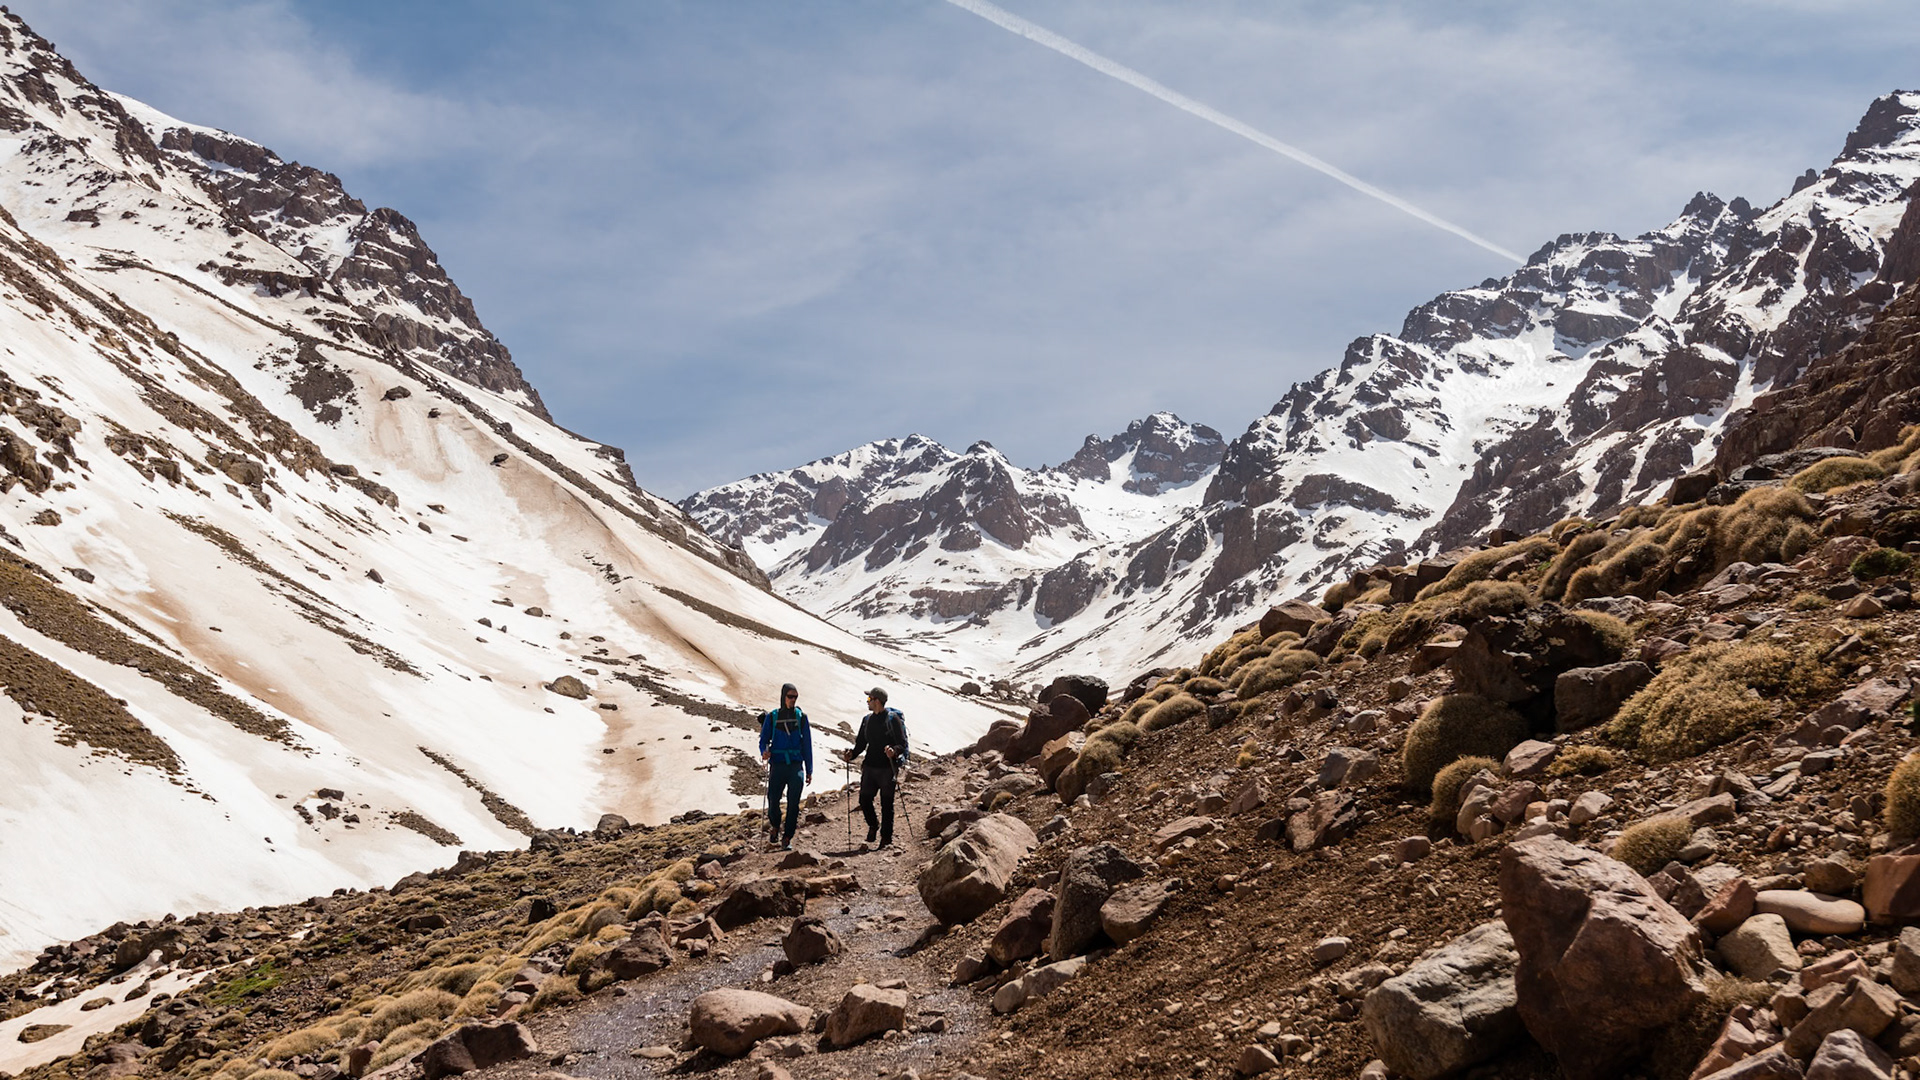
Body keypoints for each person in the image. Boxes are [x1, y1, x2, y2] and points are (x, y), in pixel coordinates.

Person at [844, 687, 908, 848]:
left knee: (887, 804)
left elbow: (901, 744)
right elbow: (861, 743)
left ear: (877, 701)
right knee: (864, 800)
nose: (867, 702)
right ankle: (873, 825)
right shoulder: (867, 720)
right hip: (870, 766)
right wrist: (852, 754)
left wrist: (894, 751)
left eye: (869, 699)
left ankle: (886, 838)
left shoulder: (893, 719)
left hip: (887, 768)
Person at [758, 682, 812, 850]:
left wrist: (809, 770)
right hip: (778, 764)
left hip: (795, 765)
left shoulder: (801, 717)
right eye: (790, 696)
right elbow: (763, 740)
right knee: (773, 799)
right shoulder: (772, 717)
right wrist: (764, 751)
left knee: (793, 803)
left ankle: (787, 837)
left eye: (795, 697)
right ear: (783, 696)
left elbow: (807, 745)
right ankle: (775, 825)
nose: (793, 700)